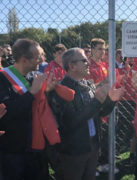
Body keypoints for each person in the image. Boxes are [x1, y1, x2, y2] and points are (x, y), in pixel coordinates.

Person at [48, 47, 124, 180]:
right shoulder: (61, 89)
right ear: (72, 66)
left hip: (92, 146)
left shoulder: (88, 85)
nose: (88, 62)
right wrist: (97, 101)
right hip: (74, 151)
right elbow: (71, 122)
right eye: (84, 60)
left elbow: (98, 114)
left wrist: (111, 101)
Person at [0, 38, 54, 180]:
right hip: (14, 150)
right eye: (37, 57)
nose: (41, 61)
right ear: (24, 60)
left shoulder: (32, 76)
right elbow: (6, 113)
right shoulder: (2, 79)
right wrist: (31, 94)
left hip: (37, 147)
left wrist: (48, 91)